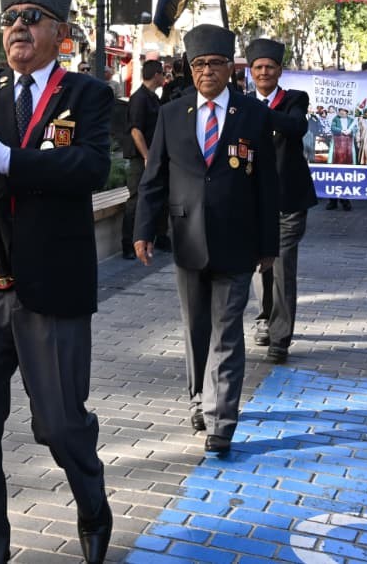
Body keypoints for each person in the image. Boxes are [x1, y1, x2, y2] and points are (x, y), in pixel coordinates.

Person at [0, 0, 113, 564]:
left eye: (31, 17)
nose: (17, 28)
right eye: (9, 18)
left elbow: (91, 168)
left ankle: (92, 503)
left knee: (60, 424)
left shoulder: (86, 95)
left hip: (52, 282)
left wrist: (10, 160)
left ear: (59, 31)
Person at [137, 24, 279, 459]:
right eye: (198, 64)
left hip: (237, 242)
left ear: (230, 67)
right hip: (187, 239)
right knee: (195, 327)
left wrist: (268, 245)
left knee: (227, 332)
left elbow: (266, 187)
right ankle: (198, 396)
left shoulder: (252, 115)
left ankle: (221, 421)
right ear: (189, 68)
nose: (206, 72)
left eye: (215, 64)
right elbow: (154, 177)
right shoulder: (171, 114)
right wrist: (143, 229)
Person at [246, 38, 318, 365]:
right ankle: (264, 317)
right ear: (251, 71)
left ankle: (280, 337)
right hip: (252, 200)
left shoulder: (293, 100)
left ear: (279, 71)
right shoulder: (240, 102)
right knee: (259, 265)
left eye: (269, 67)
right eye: (258, 67)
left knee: (282, 266)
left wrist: (257, 112)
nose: (264, 72)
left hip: (289, 198)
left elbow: (295, 126)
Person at [122, 59, 166, 260]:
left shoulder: (153, 98)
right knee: (136, 200)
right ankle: (128, 244)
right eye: (162, 73)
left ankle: (158, 238)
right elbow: (135, 130)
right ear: (156, 75)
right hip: (141, 160)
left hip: (152, 157)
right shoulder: (139, 98)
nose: (165, 77)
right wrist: (147, 155)